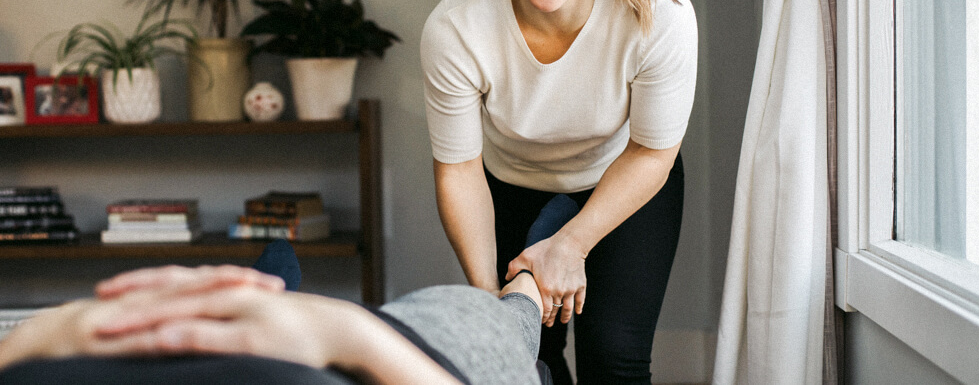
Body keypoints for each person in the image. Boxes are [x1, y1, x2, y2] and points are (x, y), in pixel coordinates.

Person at [420, 0, 697, 383]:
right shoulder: (457, 27)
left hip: (623, 183)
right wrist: (490, 306)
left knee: (614, 360)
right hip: (509, 186)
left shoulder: (660, 14)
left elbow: (651, 154)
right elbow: (458, 170)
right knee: (524, 354)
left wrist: (570, 245)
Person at [0, 196, 581, 385]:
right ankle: (534, 262)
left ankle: (271, 278)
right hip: (420, 351)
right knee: (511, 318)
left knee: (259, 298)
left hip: (280, 338)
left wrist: (49, 331)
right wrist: (348, 333)